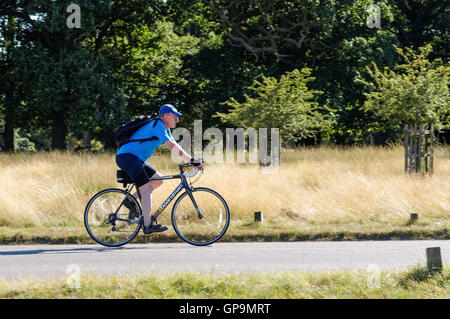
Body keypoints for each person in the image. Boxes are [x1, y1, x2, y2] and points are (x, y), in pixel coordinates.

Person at [116, 104, 200, 234]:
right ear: (166, 116)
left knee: (157, 180)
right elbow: (171, 147)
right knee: (147, 188)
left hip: (136, 159)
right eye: (175, 116)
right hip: (127, 157)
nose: (177, 120)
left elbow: (176, 147)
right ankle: (148, 225)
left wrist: (191, 160)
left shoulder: (166, 129)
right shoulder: (158, 124)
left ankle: (130, 201)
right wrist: (191, 161)